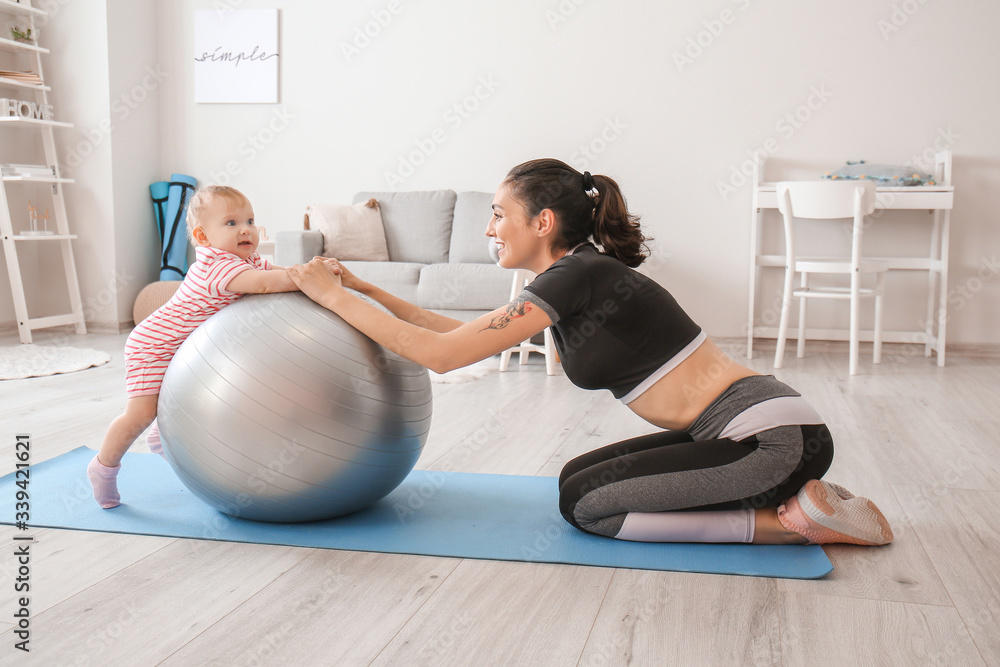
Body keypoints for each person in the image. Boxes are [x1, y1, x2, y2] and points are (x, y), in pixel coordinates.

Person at [287, 159, 893, 546]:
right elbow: (454, 335)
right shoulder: (573, 279)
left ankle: (792, 526)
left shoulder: (575, 278)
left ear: (543, 221)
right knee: (576, 479)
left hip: (770, 441)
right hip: (753, 428)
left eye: (499, 216)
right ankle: (808, 500)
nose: (490, 228)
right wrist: (364, 290)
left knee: (589, 507)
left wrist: (328, 297)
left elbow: (441, 357)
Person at [88, 185, 300, 509]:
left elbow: (276, 271)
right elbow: (266, 283)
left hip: (186, 348)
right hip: (154, 346)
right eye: (231, 223)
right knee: (141, 413)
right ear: (202, 237)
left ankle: (162, 438)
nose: (245, 229)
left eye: (250, 220)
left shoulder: (246, 258)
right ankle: (103, 467)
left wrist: (310, 270)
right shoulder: (218, 266)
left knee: (181, 401)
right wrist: (310, 280)